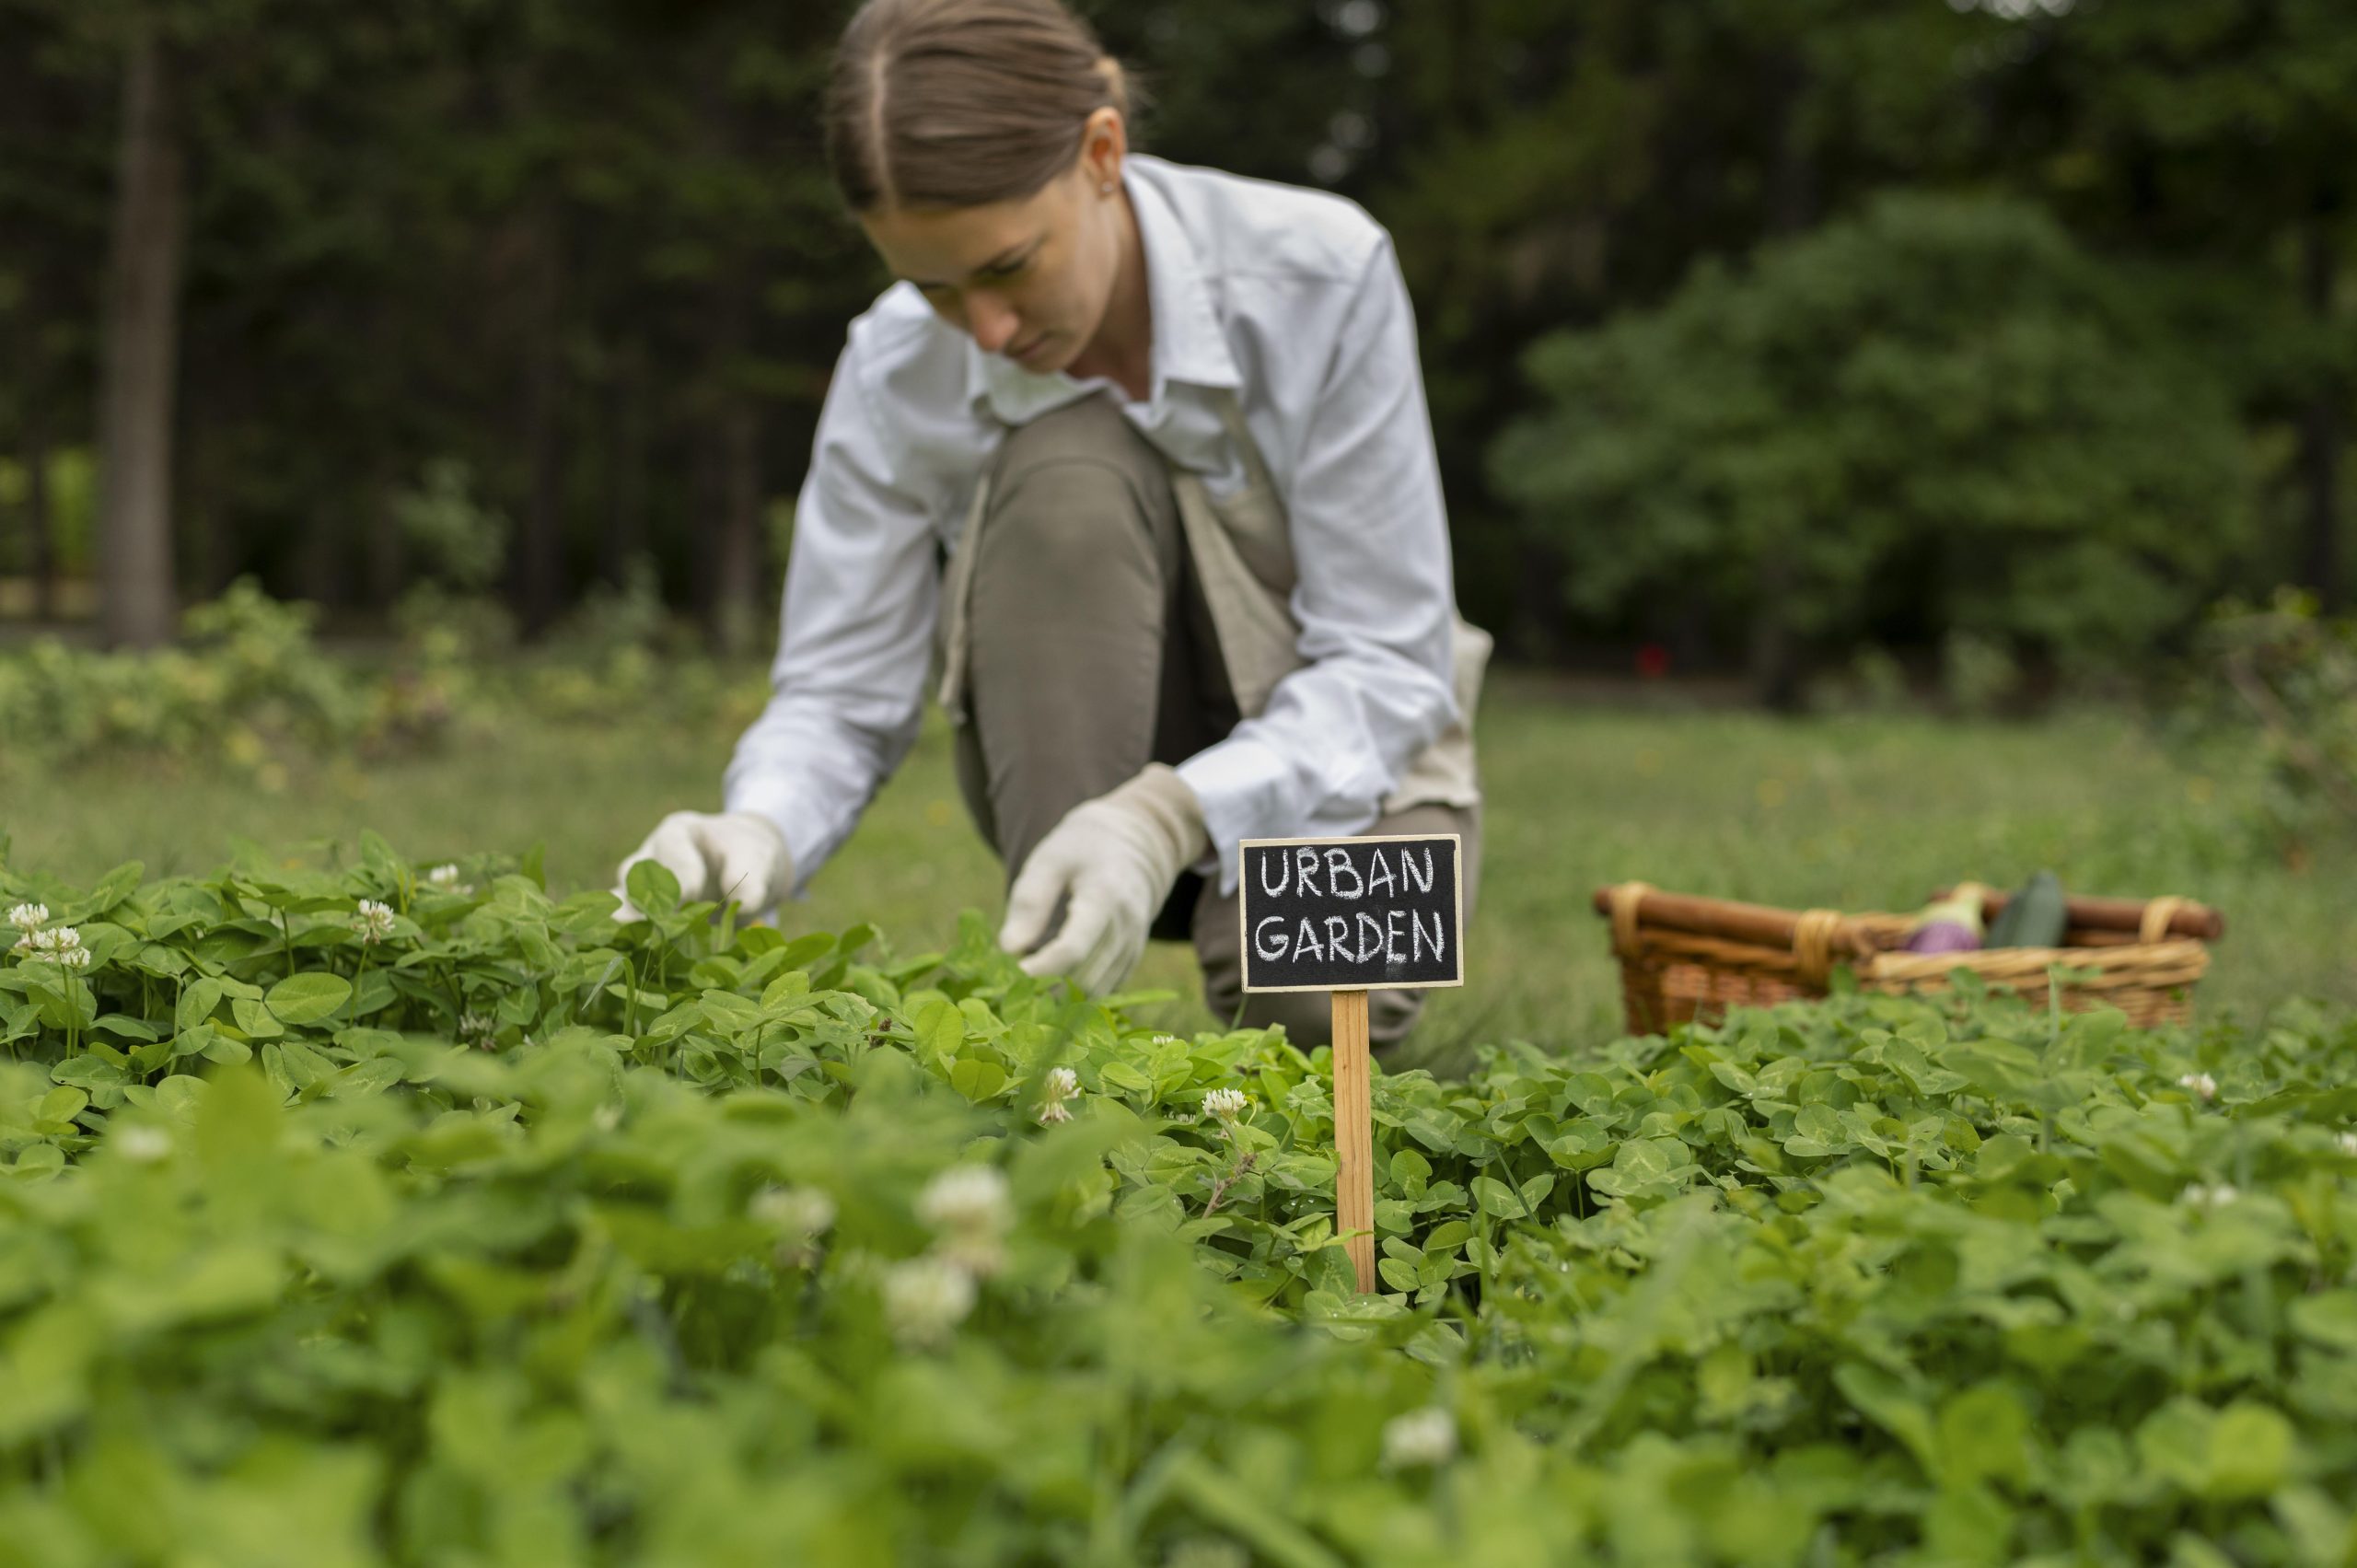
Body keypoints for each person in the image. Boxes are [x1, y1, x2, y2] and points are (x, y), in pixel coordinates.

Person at [615, 0, 1487, 1051]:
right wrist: (758, 825)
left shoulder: (1321, 275)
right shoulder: (897, 368)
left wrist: (1164, 817)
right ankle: (1059, 1031)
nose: (985, 329)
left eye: (1007, 265)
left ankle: (1242, 1000)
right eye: (930, 286)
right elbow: (842, 694)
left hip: (1354, 768)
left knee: (1309, 1019)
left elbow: (1389, 667)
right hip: (1070, 785)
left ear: (1103, 152)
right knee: (1067, 465)